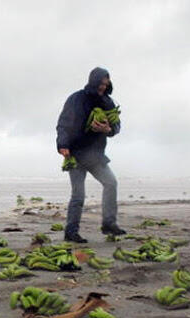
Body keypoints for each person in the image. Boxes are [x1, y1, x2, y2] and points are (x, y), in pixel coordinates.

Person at [56, 67, 126, 243]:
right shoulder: (76, 99)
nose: (103, 87)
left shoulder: (108, 103)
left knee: (111, 183)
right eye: (100, 83)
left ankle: (109, 224)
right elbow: (63, 123)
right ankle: (71, 232)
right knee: (78, 195)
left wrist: (108, 129)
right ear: (93, 81)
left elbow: (116, 127)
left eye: (106, 84)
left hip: (95, 156)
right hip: (76, 154)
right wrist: (62, 145)